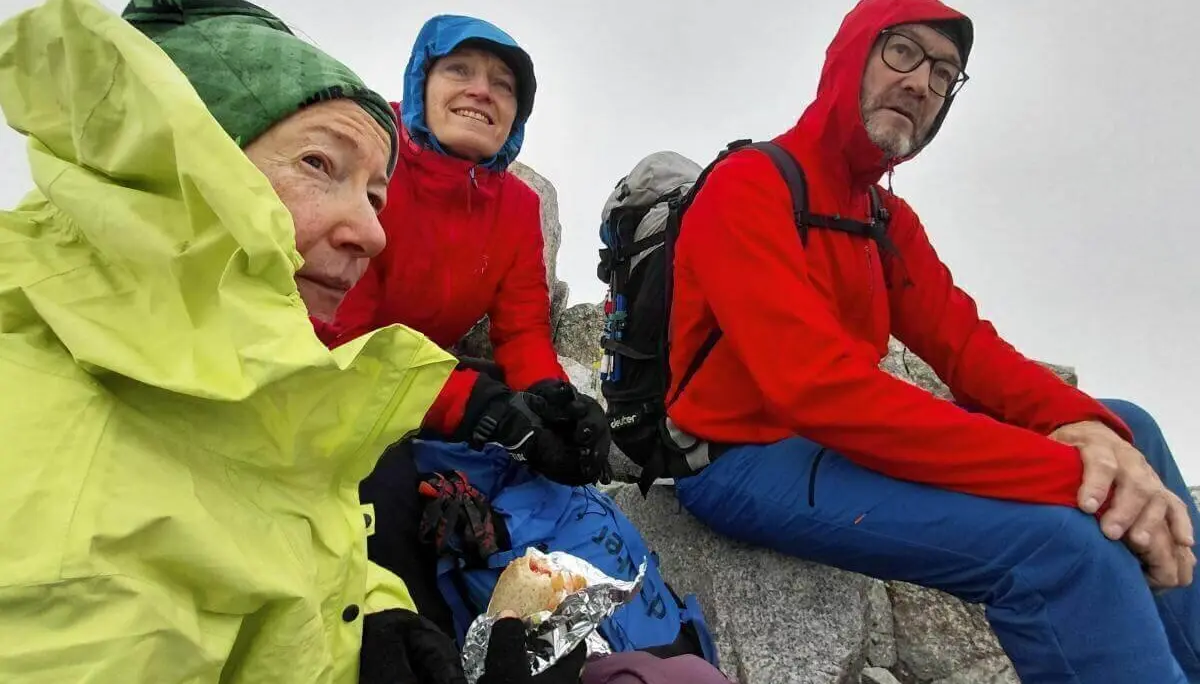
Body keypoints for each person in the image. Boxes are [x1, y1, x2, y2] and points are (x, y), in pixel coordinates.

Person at [0, 1, 583, 682]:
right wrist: (474, 403)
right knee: (385, 480)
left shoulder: (515, 205)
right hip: (351, 371)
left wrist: (552, 402)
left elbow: (520, 325)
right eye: (316, 163)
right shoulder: (62, 484)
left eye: (504, 84)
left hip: (357, 378)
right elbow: (338, 341)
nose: (373, 231)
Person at [661, 0, 1200, 682]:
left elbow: (967, 349)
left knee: (1133, 429)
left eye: (944, 72)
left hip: (827, 441)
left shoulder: (885, 217)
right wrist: (1077, 478)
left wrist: (1089, 429)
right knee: (1061, 548)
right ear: (849, 58)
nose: (921, 82)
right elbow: (816, 389)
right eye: (903, 52)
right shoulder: (748, 186)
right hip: (739, 463)